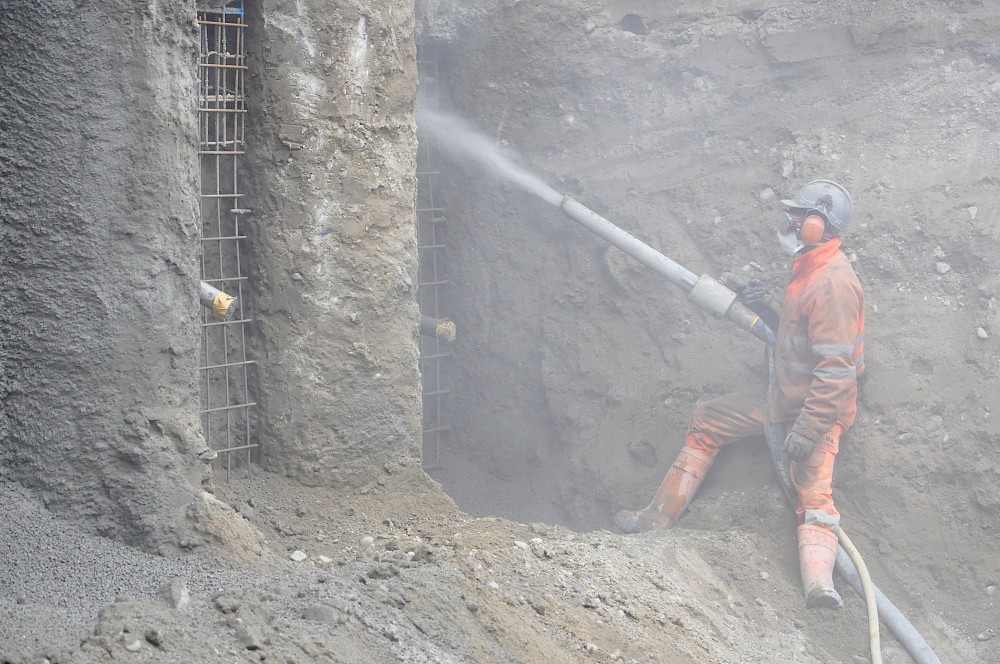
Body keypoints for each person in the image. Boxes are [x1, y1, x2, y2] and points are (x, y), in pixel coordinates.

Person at [615, 179, 866, 610]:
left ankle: (820, 588)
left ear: (817, 225)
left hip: (816, 410)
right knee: (708, 418)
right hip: (783, 398)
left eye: (798, 216)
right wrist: (765, 307)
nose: (788, 222)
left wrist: (808, 427)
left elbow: (836, 370)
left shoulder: (833, 284)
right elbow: (796, 340)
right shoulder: (810, 269)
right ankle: (656, 518)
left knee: (813, 493)